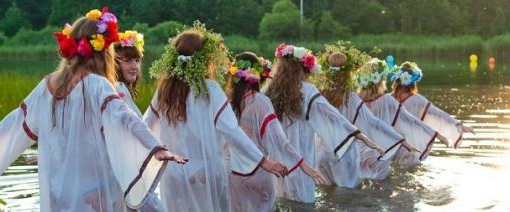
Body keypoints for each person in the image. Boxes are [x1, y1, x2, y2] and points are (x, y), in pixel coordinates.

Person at [0, 7, 187, 211]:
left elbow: (16, 123)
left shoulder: (48, 84)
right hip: (96, 191)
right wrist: (156, 147)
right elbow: (126, 119)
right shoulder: (97, 85)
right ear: (103, 51)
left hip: (62, 191)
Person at [143, 22, 288, 212]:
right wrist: (263, 161)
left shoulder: (164, 90)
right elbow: (232, 131)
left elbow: (145, 128)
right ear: (204, 60)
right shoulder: (210, 89)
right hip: (205, 173)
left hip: (173, 175)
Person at [264, 43, 384, 202]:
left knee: (282, 199)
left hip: (277, 157)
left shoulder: (269, 89)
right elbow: (334, 116)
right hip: (302, 157)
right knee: (303, 202)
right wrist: (362, 137)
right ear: (302, 69)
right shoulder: (307, 90)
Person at [225, 52, 327, 211]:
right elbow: (279, 140)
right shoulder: (260, 102)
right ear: (257, 75)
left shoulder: (225, 100)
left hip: (232, 173)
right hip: (258, 171)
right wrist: (302, 164)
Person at [313, 42, 410, 182]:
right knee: (349, 196)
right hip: (344, 151)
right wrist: (400, 140)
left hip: (322, 153)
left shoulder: (319, 94)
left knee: (328, 193)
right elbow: (373, 122)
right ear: (348, 73)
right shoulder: (350, 97)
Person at [356, 58, 447, 166]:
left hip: (361, 147)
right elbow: (411, 119)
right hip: (386, 145)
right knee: (410, 158)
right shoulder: (387, 100)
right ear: (380, 81)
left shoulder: (354, 99)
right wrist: (436, 134)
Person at [389, 61, 474, 148]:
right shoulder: (418, 100)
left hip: (389, 143)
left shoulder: (386, 99)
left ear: (397, 80)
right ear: (413, 82)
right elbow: (438, 113)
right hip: (410, 144)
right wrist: (458, 125)